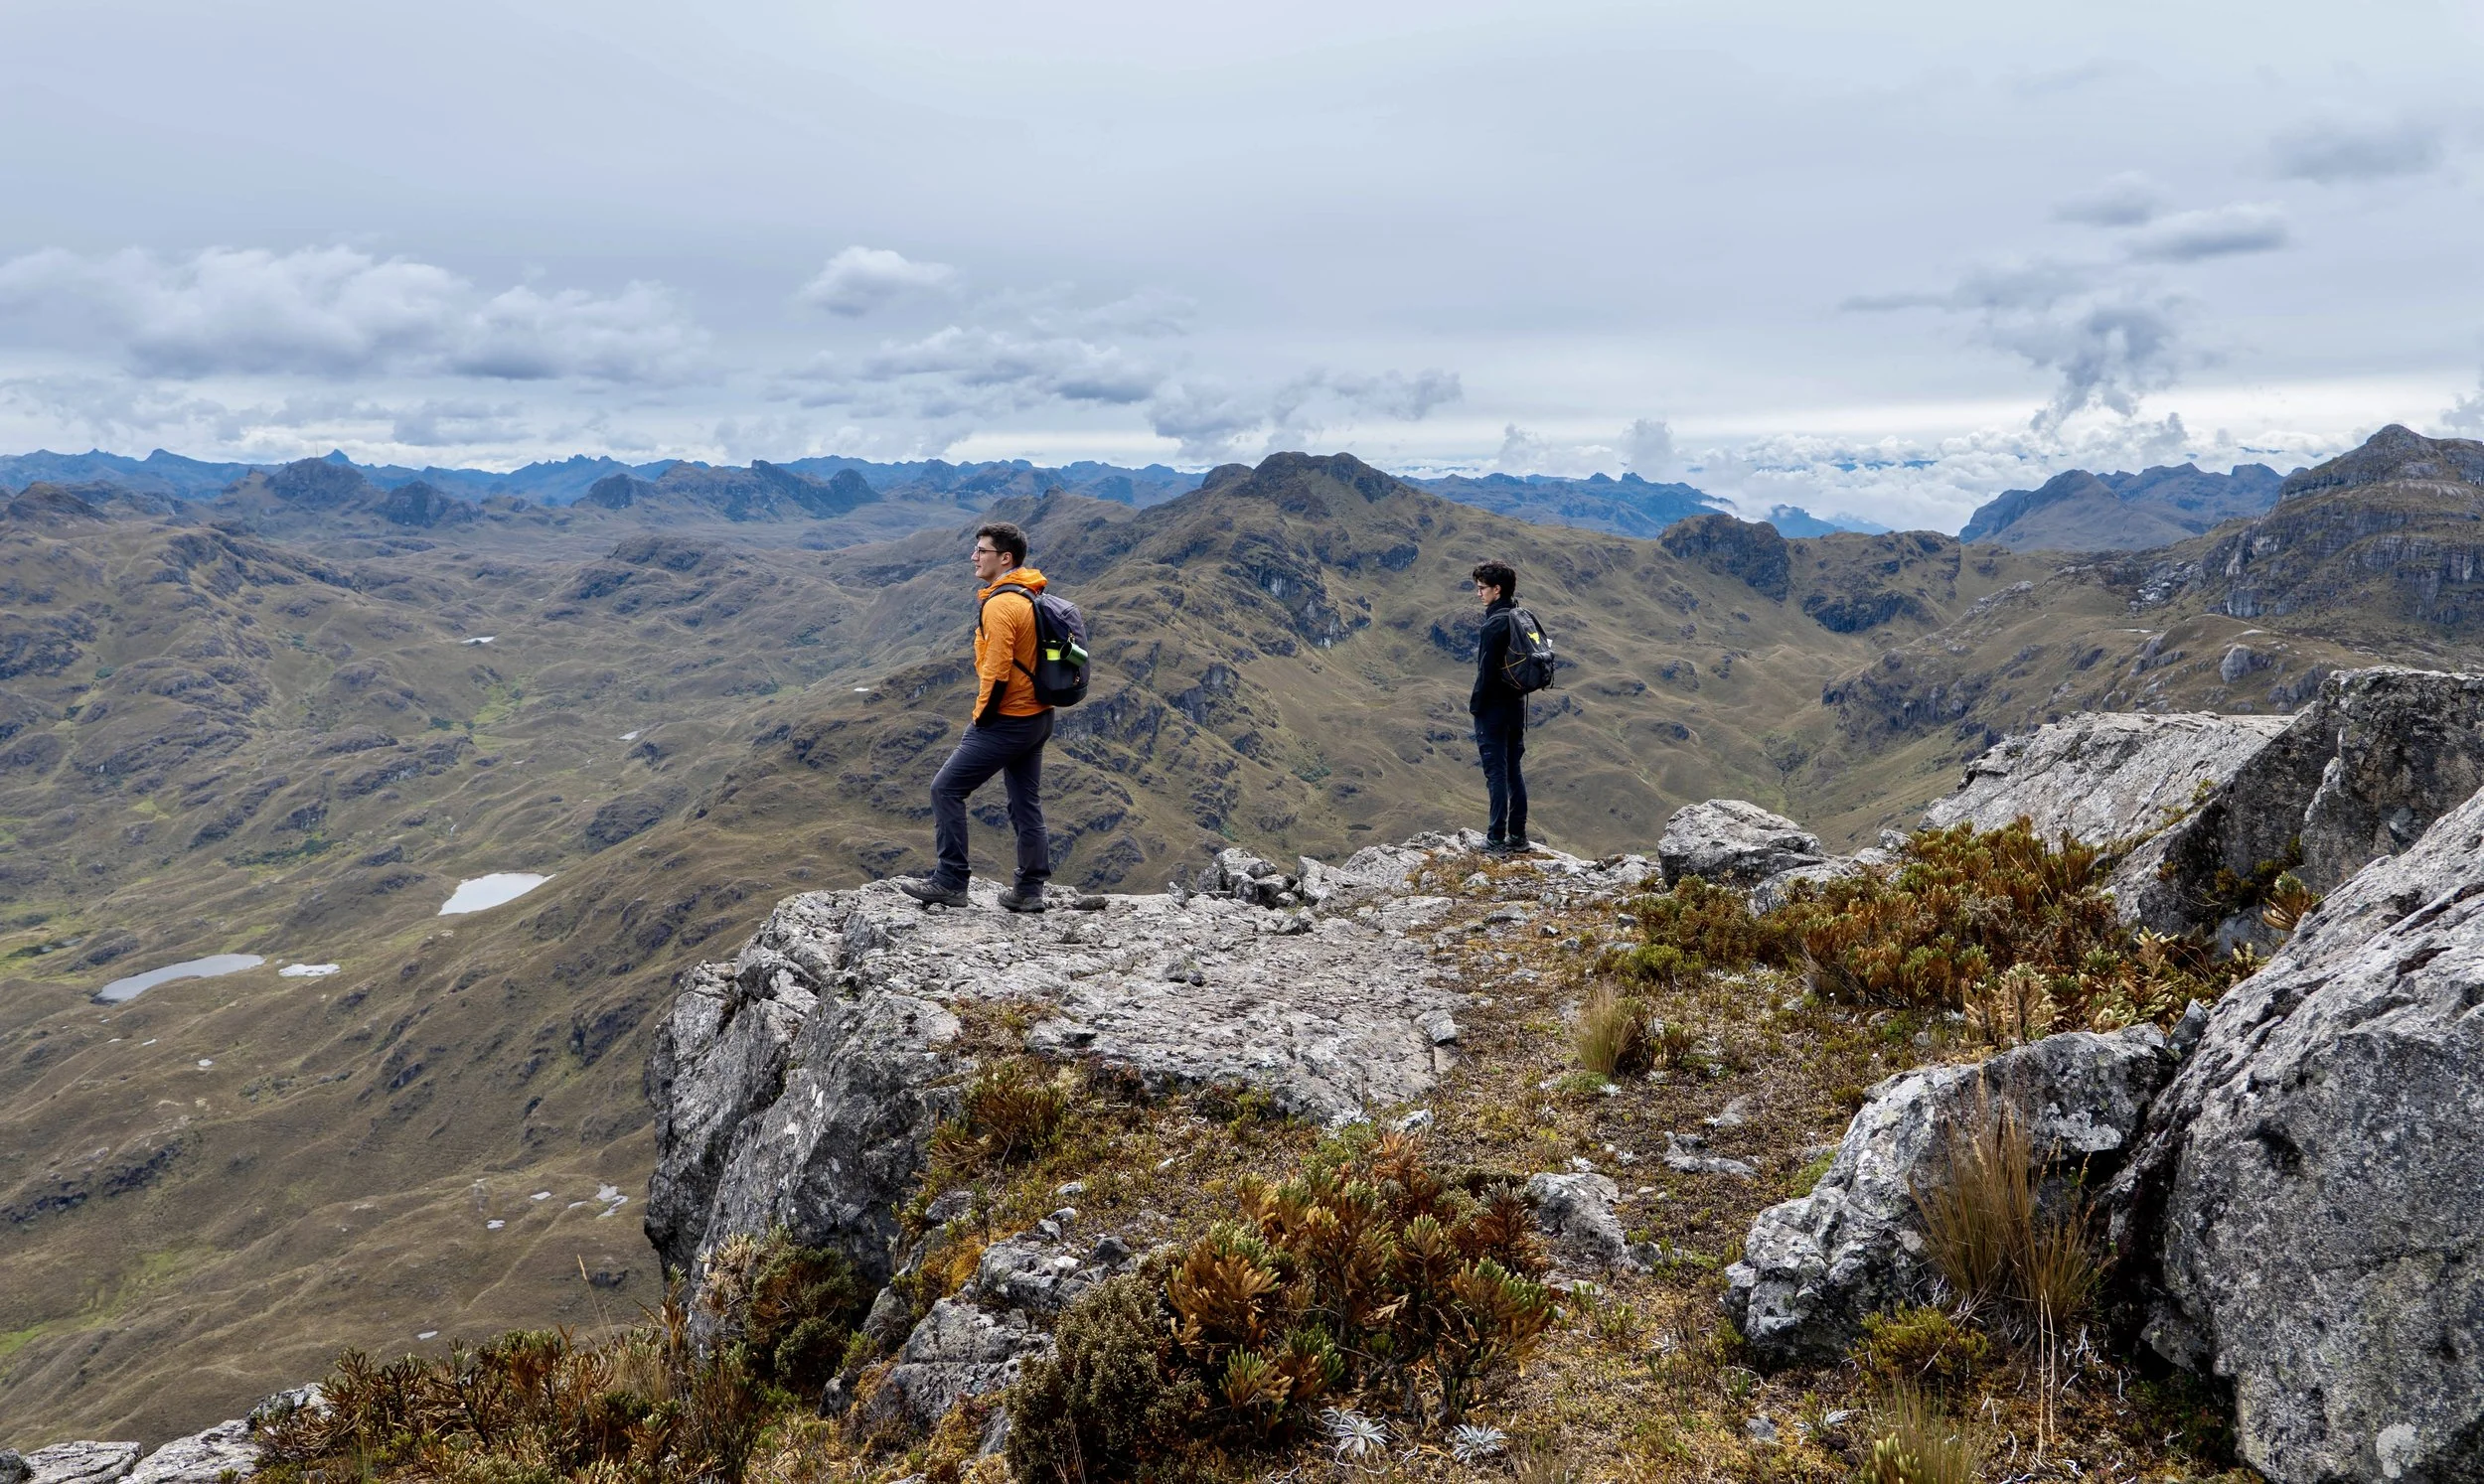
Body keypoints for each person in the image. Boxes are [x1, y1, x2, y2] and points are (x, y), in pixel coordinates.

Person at [900, 521, 1055, 912]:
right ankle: (1029, 890)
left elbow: (997, 670)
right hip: (1038, 717)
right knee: (1025, 802)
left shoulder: (1002, 603)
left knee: (945, 789)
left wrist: (980, 718)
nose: (973, 556)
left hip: (1007, 720)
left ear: (1005, 558)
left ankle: (951, 881)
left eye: (981, 550)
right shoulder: (1028, 592)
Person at [1469, 559, 1529, 854]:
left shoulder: (1493, 624)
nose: (1479, 594)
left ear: (1497, 589)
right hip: (1516, 706)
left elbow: (1486, 672)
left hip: (1493, 709)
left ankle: (1495, 838)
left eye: (1482, 588)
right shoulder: (1519, 615)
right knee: (1513, 770)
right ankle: (1518, 836)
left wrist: (1476, 707)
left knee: (1496, 773)